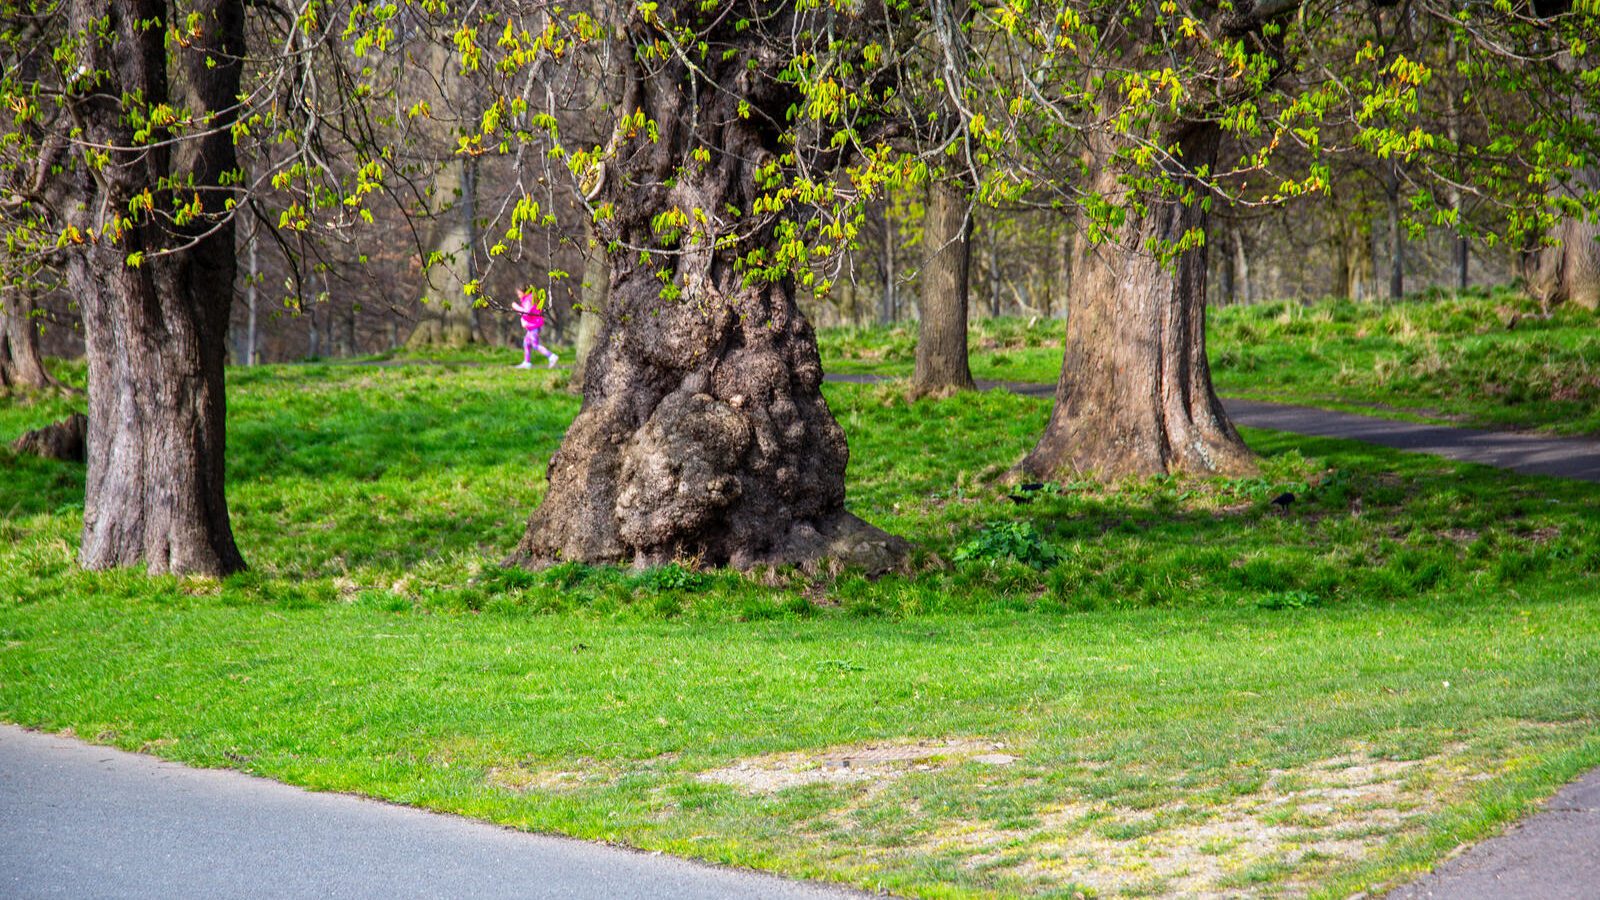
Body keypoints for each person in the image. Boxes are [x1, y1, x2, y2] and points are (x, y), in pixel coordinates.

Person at [512, 290, 558, 369]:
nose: (518, 295)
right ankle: (527, 362)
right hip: (532, 326)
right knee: (526, 343)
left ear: (524, 291)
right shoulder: (528, 299)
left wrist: (516, 307)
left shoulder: (529, 299)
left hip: (534, 325)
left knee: (535, 344)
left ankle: (551, 356)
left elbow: (527, 312)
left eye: (519, 293)